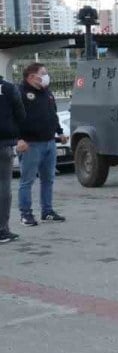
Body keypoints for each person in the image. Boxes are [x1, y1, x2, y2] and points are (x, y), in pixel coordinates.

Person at [17, 63, 66, 226]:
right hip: (30, 144)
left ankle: (47, 211)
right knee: (27, 181)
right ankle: (26, 214)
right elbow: (12, 118)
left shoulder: (47, 93)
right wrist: (19, 139)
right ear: (31, 76)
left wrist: (59, 132)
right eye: (43, 73)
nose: (46, 76)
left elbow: (53, 114)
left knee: (48, 179)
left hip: (49, 142)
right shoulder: (20, 93)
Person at [0, 73, 25, 243]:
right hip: (3, 143)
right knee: (3, 186)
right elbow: (21, 114)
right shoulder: (8, 88)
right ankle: (2, 229)